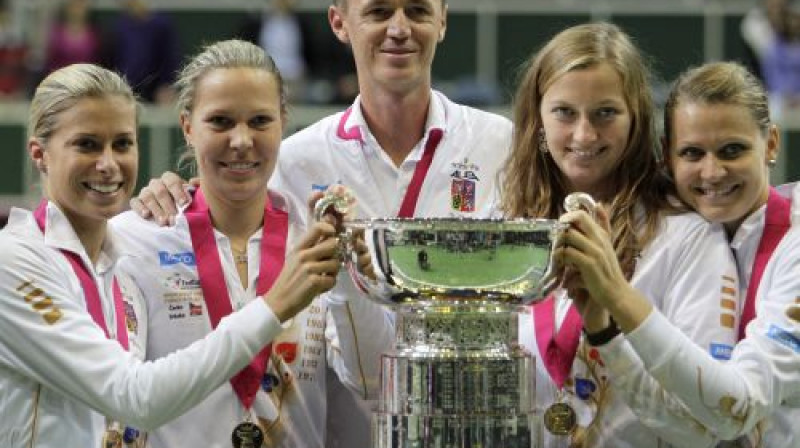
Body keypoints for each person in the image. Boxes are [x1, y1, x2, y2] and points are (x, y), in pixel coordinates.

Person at [129, 2, 512, 446]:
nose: (399, 28)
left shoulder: (500, 144)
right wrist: (172, 194)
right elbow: (226, 199)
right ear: (338, 22)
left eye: (417, 10)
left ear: (443, 19)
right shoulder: (293, 161)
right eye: (379, 11)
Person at [0, 63, 340, 447]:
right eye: (87, 144)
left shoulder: (119, 259)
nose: (108, 164)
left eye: (122, 144)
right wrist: (273, 307)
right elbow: (135, 397)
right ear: (39, 154)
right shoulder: (15, 262)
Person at [110, 39, 380, 448]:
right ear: (187, 127)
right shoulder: (134, 239)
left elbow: (369, 379)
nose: (240, 140)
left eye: (259, 121)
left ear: (283, 123)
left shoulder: (317, 240)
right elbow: (121, 398)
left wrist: (354, 284)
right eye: (220, 121)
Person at [500, 22, 738, 447]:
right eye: (565, 112)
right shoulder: (505, 228)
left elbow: (702, 429)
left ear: (636, 120)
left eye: (605, 113)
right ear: (537, 120)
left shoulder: (687, 237)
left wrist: (608, 326)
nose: (584, 135)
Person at [558, 61, 800, 446]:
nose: (712, 172)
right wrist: (604, 332)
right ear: (668, 158)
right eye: (692, 153)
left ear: (771, 143)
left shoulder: (795, 246)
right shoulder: (687, 239)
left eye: (732, 150)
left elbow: (736, 408)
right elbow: (693, 429)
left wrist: (618, 295)